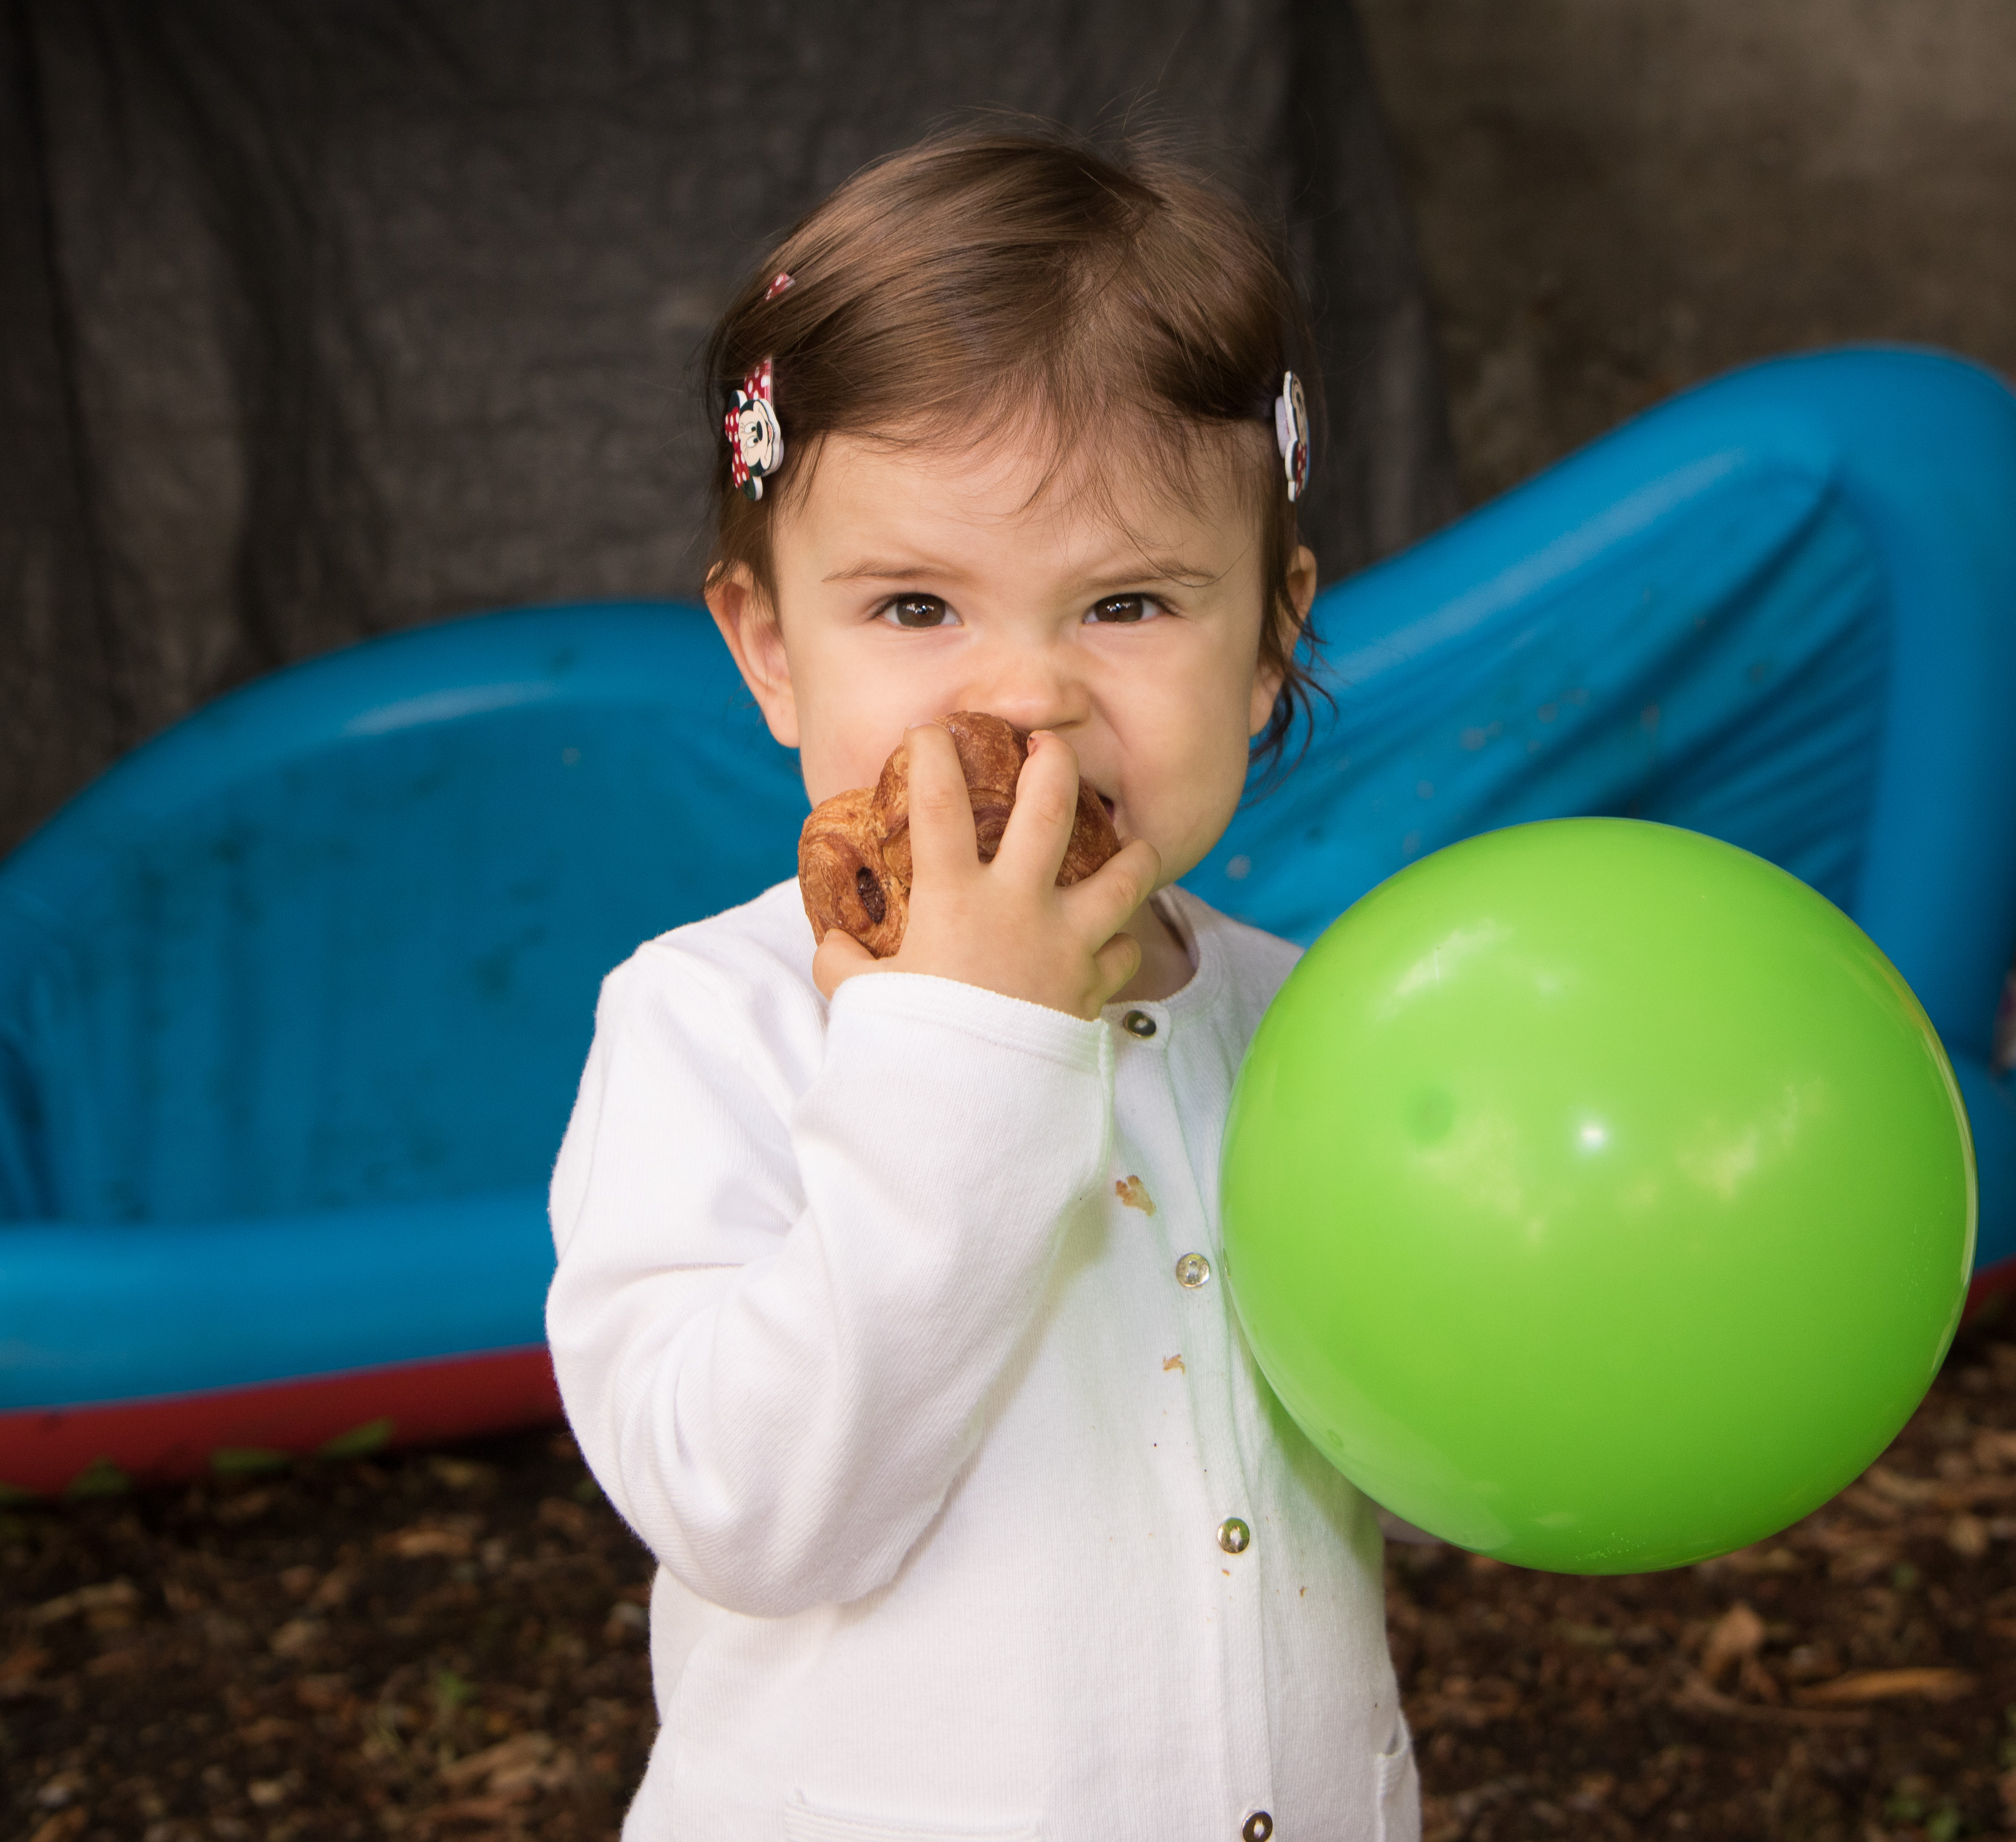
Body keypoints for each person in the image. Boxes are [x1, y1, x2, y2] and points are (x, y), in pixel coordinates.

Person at [545, 127, 1418, 1839]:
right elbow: (745, 1508)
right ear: (772, 649)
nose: (1027, 696)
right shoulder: (710, 1023)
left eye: (1129, 601)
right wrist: (968, 1046)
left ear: (1270, 642)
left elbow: (1419, 1435)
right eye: (916, 605)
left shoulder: (1313, 1024)